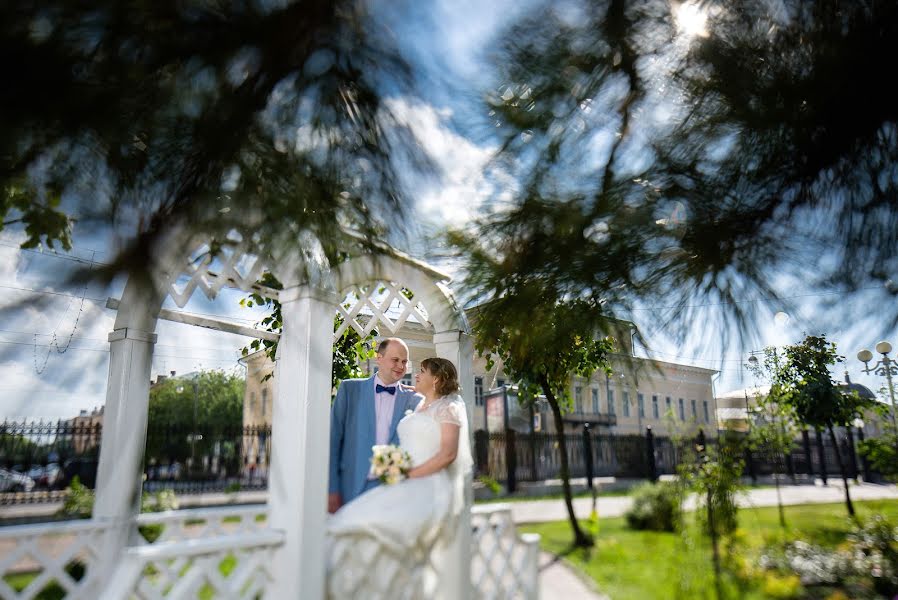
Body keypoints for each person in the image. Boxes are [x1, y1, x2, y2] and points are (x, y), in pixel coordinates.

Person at [326, 357, 473, 599]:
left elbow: (447, 454)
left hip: (427, 486)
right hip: (405, 481)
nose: (415, 374)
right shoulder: (419, 406)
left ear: (435, 379)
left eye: (421, 371)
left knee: (372, 528)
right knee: (350, 520)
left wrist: (410, 474)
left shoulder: (449, 409)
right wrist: (394, 466)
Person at [328, 337, 422, 513]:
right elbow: (333, 441)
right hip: (351, 486)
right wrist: (332, 489)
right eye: (395, 360)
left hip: (394, 490)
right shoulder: (349, 390)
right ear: (379, 358)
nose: (401, 366)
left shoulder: (414, 400)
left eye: (404, 362)